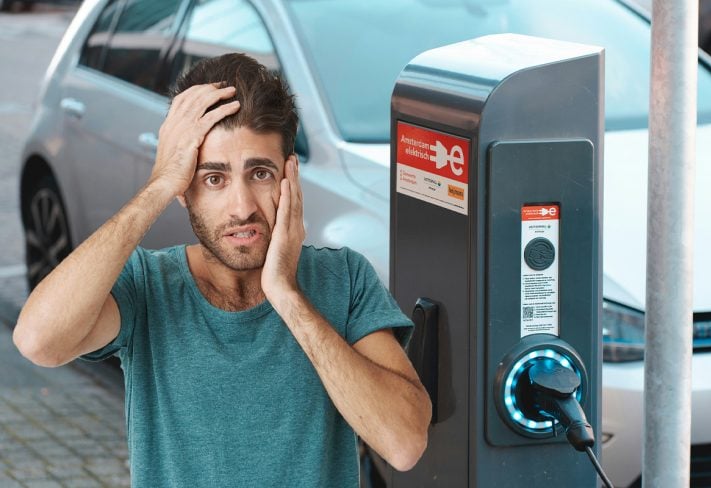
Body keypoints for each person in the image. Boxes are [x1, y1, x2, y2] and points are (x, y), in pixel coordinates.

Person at [13, 53, 431, 487]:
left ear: (290, 176)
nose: (242, 207)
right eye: (214, 178)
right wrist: (158, 185)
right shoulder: (146, 285)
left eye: (261, 173)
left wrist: (287, 296)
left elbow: (404, 444)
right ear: (184, 189)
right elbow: (38, 342)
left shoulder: (344, 279)